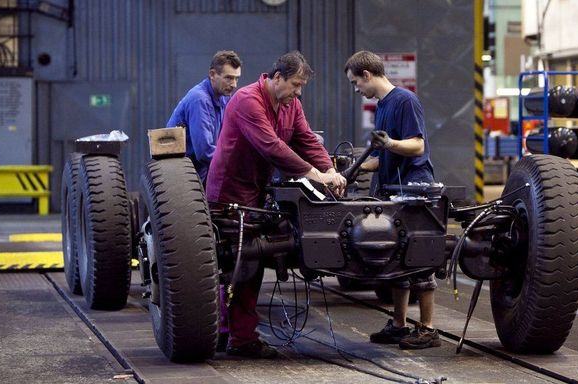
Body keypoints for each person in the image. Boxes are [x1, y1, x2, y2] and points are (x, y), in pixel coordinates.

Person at [206, 51, 347, 358]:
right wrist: (314, 174)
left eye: (301, 87)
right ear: (277, 77)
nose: (298, 92)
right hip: (230, 193)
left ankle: (228, 332)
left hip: (257, 191)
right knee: (240, 264)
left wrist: (330, 170)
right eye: (295, 84)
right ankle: (237, 337)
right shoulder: (247, 100)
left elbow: (307, 139)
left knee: (249, 265)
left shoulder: (290, 105)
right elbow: (271, 146)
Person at [344, 50, 440, 350]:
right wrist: (346, 166)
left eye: (355, 83)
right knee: (397, 261)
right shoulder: (383, 106)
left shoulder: (405, 101)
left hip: (414, 189)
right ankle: (399, 326)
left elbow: (416, 146)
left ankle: (427, 329)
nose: (356, 89)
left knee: (419, 260)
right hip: (391, 190)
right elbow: (380, 156)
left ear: (367, 75)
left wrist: (391, 143)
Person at [166, 50, 242, 184]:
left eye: (237, 78)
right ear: (212, 74)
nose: (234, 84)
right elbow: (204, 152)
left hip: (199, 173)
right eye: (228, 78)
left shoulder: (223, 98)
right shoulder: (200, 100)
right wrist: (238, 164)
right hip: (181, 180)